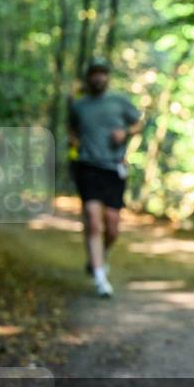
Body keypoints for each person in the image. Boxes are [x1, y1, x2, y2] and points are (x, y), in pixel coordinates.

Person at [68, 58, 143, 298]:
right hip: (88, 166)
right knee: (93, 220)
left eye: (103, 73)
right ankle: (100, 279)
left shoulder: (119, 102)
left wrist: (126, 132)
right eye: (94, 73)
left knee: (112, 227)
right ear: (88, 77)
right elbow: (71, 128)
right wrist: (73, 141)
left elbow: (139, 122)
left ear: (108, 77)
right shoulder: (79, 106)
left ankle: (98, 257)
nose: (99, 77)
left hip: (114, 168)